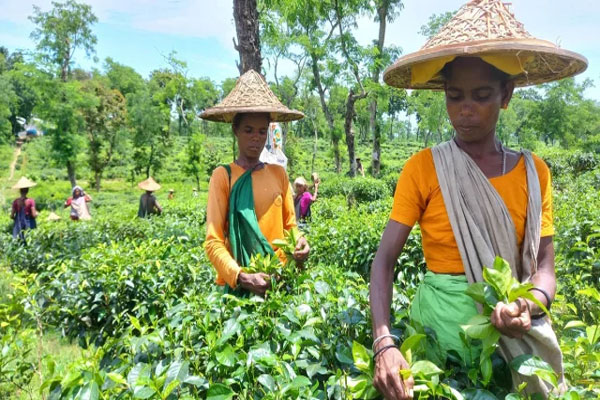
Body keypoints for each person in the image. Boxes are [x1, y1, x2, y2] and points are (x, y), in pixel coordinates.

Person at [369, 1, 587, 398]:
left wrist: (528, 306)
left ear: (507, 95)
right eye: (455, 96)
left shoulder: (533, 173)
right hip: (434, 352)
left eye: (481, 95)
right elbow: (384, 261)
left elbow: (545, 270)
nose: (465, 109)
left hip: (511, 350)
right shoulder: (424, 168)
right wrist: (385, 342)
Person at [201, 69, 310, 297]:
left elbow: (290, 226)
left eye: (262, 131)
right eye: (248, 130)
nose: (256, 138)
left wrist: (300, 243)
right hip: (241, 284)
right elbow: (213, 241)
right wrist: (241, 276)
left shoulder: (278, 173)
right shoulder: (224, 176)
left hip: (280, 279)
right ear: (235, 130)